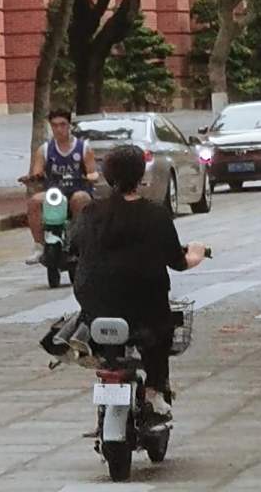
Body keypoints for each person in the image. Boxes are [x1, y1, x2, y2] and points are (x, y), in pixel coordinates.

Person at [71, 144, 208, 419]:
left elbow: (74, 248)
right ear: (140, 175)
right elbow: (177, 262)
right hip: (145, 308)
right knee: (161, 331)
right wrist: (197, 253)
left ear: (107, 175)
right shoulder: (155, 214)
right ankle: (155, 391)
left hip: (96, 304)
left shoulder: (89, 213)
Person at [23, 107, 98, 265]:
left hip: (78, 190)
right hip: (55, 194)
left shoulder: (83, 148)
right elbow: (37, 172)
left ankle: (77, 241)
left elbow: (93, 172)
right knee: (34, 201)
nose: (59, 129)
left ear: (69, 125)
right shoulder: (44, 150)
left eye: (62, 124)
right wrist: (32, 179)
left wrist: (90, 177)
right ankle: (39, 246)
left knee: (80, 198)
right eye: (55, 125)